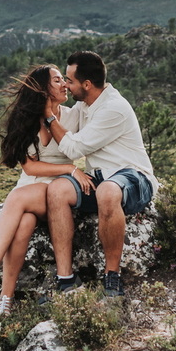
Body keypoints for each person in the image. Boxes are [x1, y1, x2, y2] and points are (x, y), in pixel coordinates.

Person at [0, 64, 93, 314]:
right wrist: (71, 169)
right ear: (43, 88)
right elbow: (29, 168)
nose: (65, 85)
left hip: (56, 190)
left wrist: (72, 171)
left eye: (64, 80)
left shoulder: (74, 115)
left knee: (17, 198)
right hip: (32, 189)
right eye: (58, 80)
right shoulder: (26, 119)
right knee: (25, 223)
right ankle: (5, 299)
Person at [42, 50, 158, 298]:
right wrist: (47, 104)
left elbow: (73, 147)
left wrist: (49, 117)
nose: (66, 85)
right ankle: (66, 279)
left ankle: (112, 277)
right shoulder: (86, 104)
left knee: (107, 190)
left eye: (70, 81)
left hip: (133, 177)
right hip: (101, 178)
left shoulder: (113, 108)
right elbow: (66, 123)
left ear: (86, 84)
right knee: (57, 190)